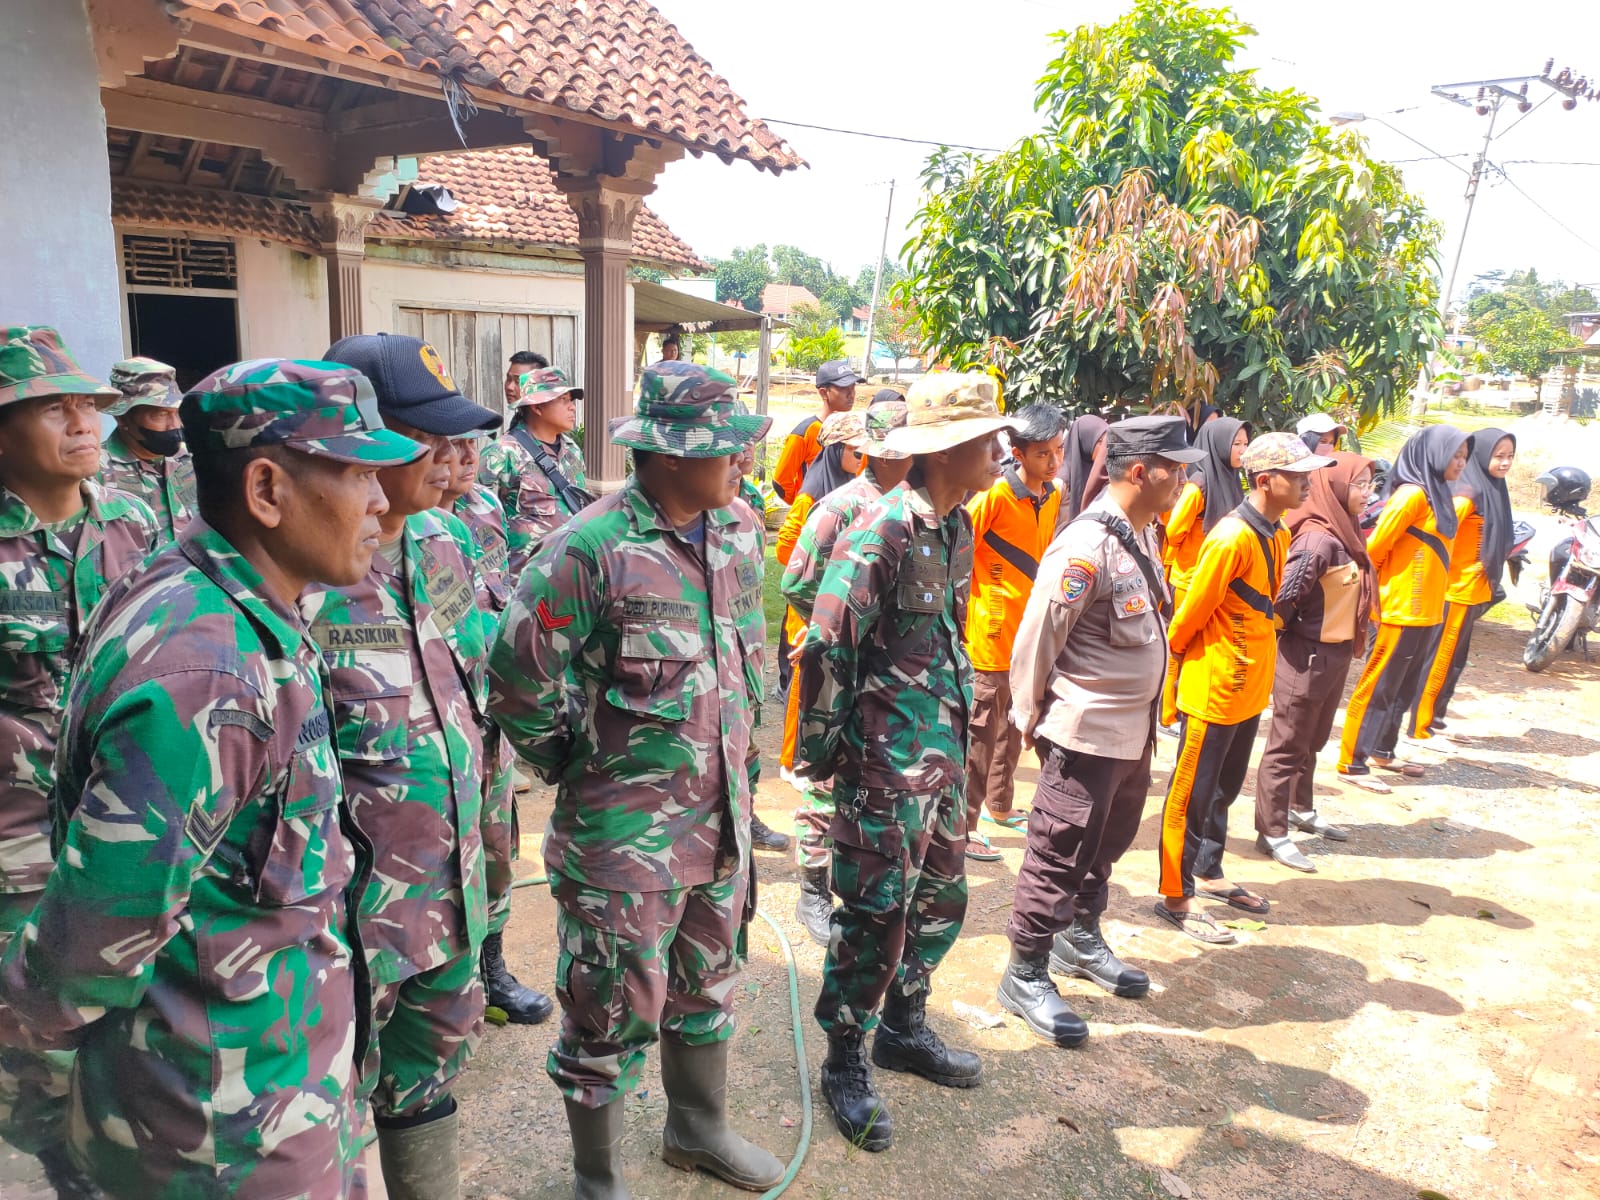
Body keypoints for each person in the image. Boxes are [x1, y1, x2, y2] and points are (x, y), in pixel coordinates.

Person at [0, 355, 423, 1198]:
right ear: (267, 491)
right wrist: (43, 1113)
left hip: (272, 1082)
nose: (382, 501)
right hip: (219, 1132)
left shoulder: (226, 597)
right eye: (359, 474)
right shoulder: (208, 675)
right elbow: (86, 951)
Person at [489, 362, 783, 1196]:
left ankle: (698, 1129)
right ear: (669, 456)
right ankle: (598, 1176)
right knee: (605, 1012)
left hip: (720, 826)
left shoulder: (738, 533)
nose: (742, 463)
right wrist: (572, 766)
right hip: (624, 843)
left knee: (708, 986)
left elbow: (743, 670)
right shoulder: (590, 548)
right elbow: (515, 675)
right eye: (724, 450)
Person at [305, 332, 502, 1199]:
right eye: (425, 435)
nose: (448, 456)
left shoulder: (443, 545)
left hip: (445, 890)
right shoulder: (299, 576)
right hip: (342, 920)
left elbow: (478, 688)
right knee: (326, 1112)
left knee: (425, 1077)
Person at [795, 371, 1011, 1152]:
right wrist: (832, 759)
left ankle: (904, 1027)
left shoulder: (954, 525)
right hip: (885, 764)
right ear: (950, 448)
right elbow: (823, 647)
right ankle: (846, 1057)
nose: (1000, 450)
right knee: (874, 916)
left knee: (941, 901)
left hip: (940, 753)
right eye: (990, 439)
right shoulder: (883, 526)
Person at [0, 326, 158, 1196]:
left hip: (124, 818)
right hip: (17, 848)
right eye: (50, 407)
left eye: (87, 403)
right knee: (33, 1048)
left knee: (137, 1018)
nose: (81, 421)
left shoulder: (133, 520)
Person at [999, 416, 1200, 1045]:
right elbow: (1038, 637)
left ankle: (1079, 936)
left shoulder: (1144, 535)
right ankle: (1026, 969)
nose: (1186, 479)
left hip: (1130, 731)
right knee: (1059, 848)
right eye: (1178, 468)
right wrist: (1028, 715)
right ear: (1142, 471)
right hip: (1084, 731)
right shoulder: (1085, 547)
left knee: (1105, 843)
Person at [1155, 432, 1331, 945]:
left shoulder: (1276, 534)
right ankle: (1175, 893)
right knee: (1190, 794)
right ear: (1264, 480)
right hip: (1214, 686)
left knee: (1224, 791)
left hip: (1249, 686)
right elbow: (1187, 619)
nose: (1306, 484)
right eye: (1296, 476)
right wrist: (1173, 681)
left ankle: (1209, 871)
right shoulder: (1231, 538)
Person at [779, 398, 912, 945]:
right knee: (824, 776)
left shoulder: (917, 509)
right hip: (840, 668)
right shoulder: (841, 506)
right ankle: (812, 887)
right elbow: (796, 582)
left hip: (891, 674)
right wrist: (839, 626)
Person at [438, 430, 555, 1026]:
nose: (464, 457)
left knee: (496, 842)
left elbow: (504, 584)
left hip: (486, 707)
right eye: (446, 444)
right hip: (429, 725)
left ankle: (492, 966)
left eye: (470, 444)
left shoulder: (479, 509)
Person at [1252, 452, 1376, 870]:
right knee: (1287, 745)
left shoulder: (1346, 532)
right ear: (1336, 487)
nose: (1367, 493)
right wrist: (1291, 634)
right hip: (1306, 656)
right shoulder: (1318, 540)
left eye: (1369, 484)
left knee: (1314, 740)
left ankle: (1299, 807)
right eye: (1360, 484)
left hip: (1334, 654)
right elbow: (1283, 599)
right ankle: (1271, 831)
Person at [1337, 425, 1473, 787]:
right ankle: (1351, 761)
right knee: (1378, 685)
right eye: (1454, 455)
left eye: (1464, 456)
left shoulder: (1439, 495)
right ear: (1433, 455)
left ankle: (1383, 750)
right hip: (1399, 608)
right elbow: (1375, 549)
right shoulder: (1411, 496)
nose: (1460, 463)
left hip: (1429, 609)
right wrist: (1373, 597)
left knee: (1402, 688)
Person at [963, 404, 1066, 859]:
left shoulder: (1054, 494)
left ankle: (999, 805)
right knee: (982, 734)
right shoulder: (992, 498)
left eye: (1058, 451)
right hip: (990, 632)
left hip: (1029, 635)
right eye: (1042, 453)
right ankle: (962, 827)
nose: (1053, 461)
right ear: (1018, 454)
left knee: (1015, 723)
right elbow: (959, 558)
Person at [774, 412, 869, 790]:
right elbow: (785, 548)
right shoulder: (814, 495)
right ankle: (789, 761)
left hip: (836, 605)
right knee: (803, 682)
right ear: (835, 451)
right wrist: (818, 567)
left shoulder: (854, 490)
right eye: (854, 451)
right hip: (808, 606)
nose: (862, 459)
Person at [1408, 430, 1516, 751]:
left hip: (1472, 590)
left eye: (1510, 455)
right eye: (1499, 455)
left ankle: (1436, 719)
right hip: (1453, 590)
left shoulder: (1493, 489)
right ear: (1482, 456)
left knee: (1455, 661)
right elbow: (1437, 530)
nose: (1505, 462)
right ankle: (1420, 727)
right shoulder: (1468, 493)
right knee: (1440, 660)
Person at [1160, 416, 1249, 729]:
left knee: (1199, 645)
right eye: (1236, 444)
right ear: (1219, 445)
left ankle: (1183, 703)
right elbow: (1173, 530)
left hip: (1214, 578)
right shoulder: (1199, 484)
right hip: (1188, 579)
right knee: (1177, 643)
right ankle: (1167, 712)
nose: (1242, 450)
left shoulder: (1233, 481)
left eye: (1245, 443)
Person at [730, 411, 792, 855]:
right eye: (740, 441)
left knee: (745, 742)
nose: (749, 450)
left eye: (752, 442)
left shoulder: (749, 499)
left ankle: (745, 816)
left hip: (743, 650)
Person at [479, 365, 591, 576]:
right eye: (563, 400)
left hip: (568, 576)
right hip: (523, 581)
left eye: (572, 400)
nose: (572, 407)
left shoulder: (572, 450)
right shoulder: (502, 453)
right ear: (537, 407)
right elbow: (475, 515)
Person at [98, 356, 196, 543]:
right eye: (161, 414)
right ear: (123, 418)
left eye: (177, 412)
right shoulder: (96, 473)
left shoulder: (194, 460)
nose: (174, 425)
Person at [772, 360, 864, 504]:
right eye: (844, 388)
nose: (851, 394)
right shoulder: (805, 432)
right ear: (823, 393)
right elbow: (781, 482)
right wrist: (805, 505)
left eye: (853, 388)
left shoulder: (856, 431)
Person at [1059, 413, 1107, 526]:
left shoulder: (1102, 474)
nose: (1105, 448)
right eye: (1100, 442)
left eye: (1108, 441)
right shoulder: (1060, 480)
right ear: (1085, 440)